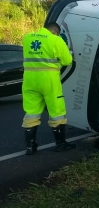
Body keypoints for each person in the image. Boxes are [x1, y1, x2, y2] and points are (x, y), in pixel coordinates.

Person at [22, 22, 75, 155]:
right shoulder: (55, 39)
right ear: (55, 31)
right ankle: (61, 144)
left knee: (31, 112)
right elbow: (67, 60)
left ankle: (30, 147)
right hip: (49, 80)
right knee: (57, 112)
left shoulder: (27, 37)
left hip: (29, 80)